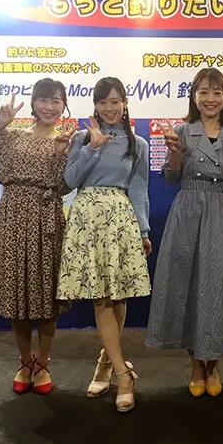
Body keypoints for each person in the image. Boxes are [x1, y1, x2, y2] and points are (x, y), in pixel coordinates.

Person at [0, 78, 76, 395]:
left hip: (48, 217)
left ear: (64, 105)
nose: (49, 107)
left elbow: (65, 186)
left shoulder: (67, 141)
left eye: (56, 100)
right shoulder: (12, 136)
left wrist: (61, 154)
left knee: (47, 296)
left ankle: (43, 363)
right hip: (11, 217)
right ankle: (25, 362)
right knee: (18, 295)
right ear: (34, 103)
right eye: (44, 100)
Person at [145, 68, 223, 397]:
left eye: (217, 92)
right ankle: (195, 365)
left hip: (220, 213)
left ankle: (213, 364)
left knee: (216, 288)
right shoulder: (182, 132)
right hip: (187, 212)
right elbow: (170, 178)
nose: (210, 99)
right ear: (193, 96)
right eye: (203, 92)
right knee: (188, 287)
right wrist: (176, 155)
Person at [56, 77, 151, 413]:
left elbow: (139, 190)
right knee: (101, 298)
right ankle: (124, 375)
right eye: (103, 102)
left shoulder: (138, 144)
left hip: (120, 219)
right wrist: (92, 148)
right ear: (95, 105)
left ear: (125, 103)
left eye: (115, 101)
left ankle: (105, 363)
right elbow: (69, 181)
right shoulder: (81, 138)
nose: (109, 108)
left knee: (118, 295)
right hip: (87, 217)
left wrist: (143, 230)